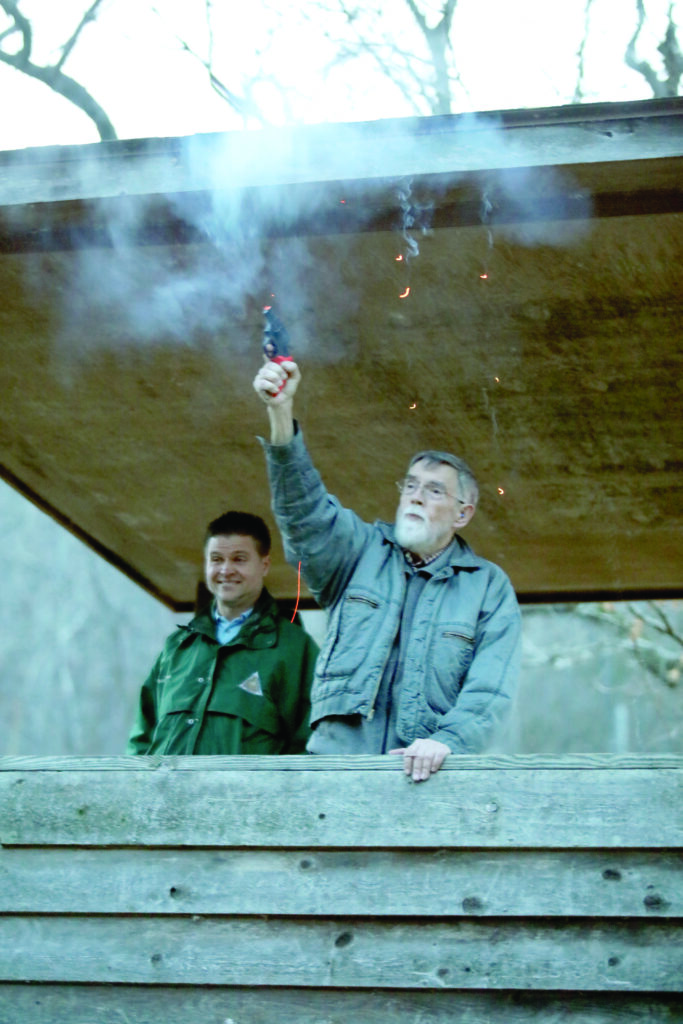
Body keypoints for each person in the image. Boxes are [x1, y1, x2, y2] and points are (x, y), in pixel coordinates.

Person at [253, 359, 521, 782]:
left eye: (434, 491)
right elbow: (303, 510)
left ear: (463, 514)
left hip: (427, 783)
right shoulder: (357, 552)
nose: (416, 497)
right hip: (335, 775)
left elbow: (491, 689)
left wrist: (448, 740)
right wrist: (280, 413)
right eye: (410, 486)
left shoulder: (488, 587)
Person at [126, 511, 318, 755]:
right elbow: (140, 743)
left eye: (239, 559)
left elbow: (310, 746)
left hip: (246, 783)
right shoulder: (176, 648)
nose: (226, 570)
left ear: (264, 565)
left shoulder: (295, 649)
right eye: (216, 559)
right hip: (166, 783)